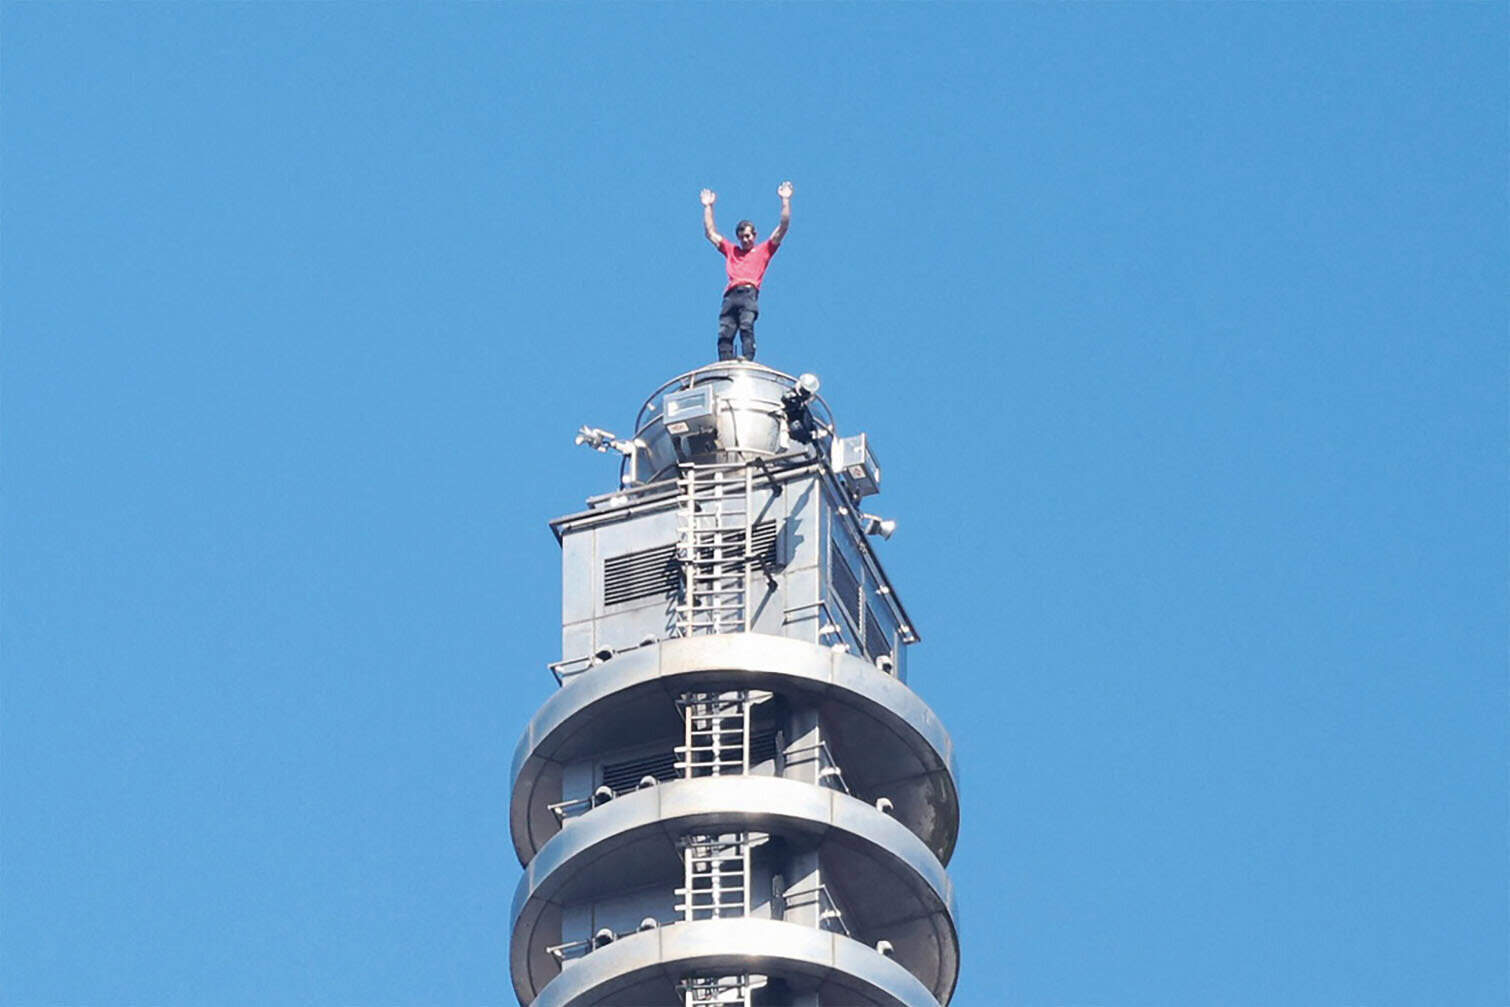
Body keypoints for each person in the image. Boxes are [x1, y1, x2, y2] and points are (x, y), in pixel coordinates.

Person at [701, 181, 792, 362]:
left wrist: (785, 199)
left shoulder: (763, 250)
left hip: (749, 292)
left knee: (746, 326)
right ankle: (725, 364)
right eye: (742, 237)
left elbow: (783, 227)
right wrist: (708, 207)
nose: (745, 239)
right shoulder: (731, 250)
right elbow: (710, 233)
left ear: (755, 235)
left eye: (748, 236)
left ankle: (747, 359)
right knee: (725, 332)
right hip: (731, 295)